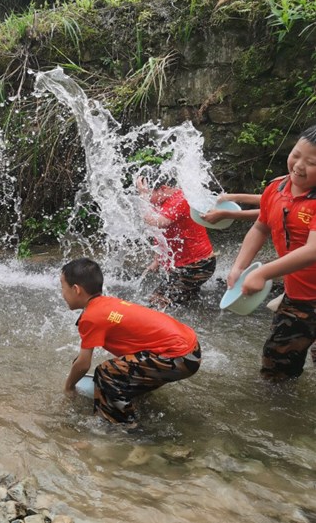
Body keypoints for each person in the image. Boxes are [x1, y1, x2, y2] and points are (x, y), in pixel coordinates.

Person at [61, 258, 201, 425]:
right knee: (123, 368)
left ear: (76, 289)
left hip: (179, 355)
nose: (62, 293)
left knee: (106, 373)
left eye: (62, 287)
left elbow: (83, 364)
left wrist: (69, 387)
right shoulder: (107, 304)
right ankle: (135, 402)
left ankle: (116, 429)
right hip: (190, 348)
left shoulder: (91, 317)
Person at [227, 125, 316, 381]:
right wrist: (239, 267)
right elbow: (260, 227)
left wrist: (265, 272)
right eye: (296, 154)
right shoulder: (277, 188)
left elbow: (312, 251)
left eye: (311, 162)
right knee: (276, 366)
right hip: (298, 299)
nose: (299, 165)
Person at [137, 176, 215, 308]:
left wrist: (143, 196)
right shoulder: (162, 201)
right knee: (183, 301)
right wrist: (157, 260)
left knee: (157, 302)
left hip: (197, 265)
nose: (149, 199)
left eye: (150, 193)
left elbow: (158, 223)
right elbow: (161, 234)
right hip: (185, 265)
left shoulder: (179, 199)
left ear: (163, 188)